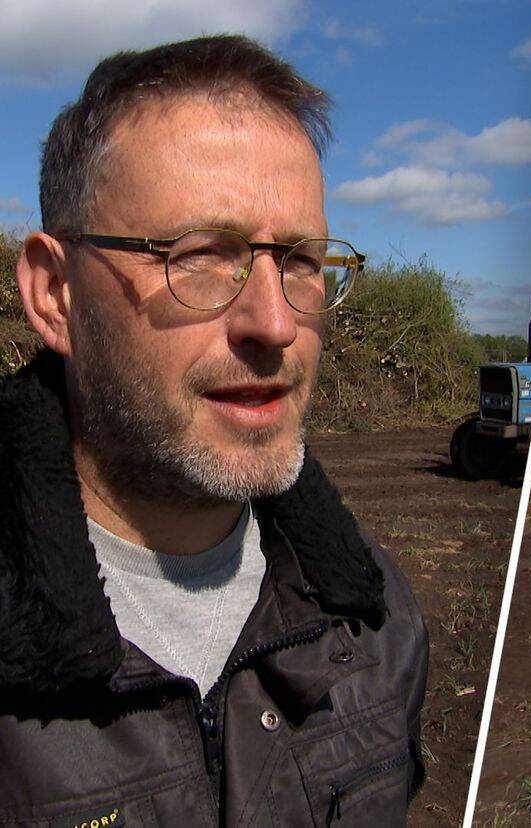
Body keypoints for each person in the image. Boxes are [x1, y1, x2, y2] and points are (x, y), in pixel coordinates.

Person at [0, 35, 428, 826]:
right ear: (56, 293)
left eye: (300, 261)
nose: (274, 322)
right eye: (200, 254)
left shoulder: (375, 619)